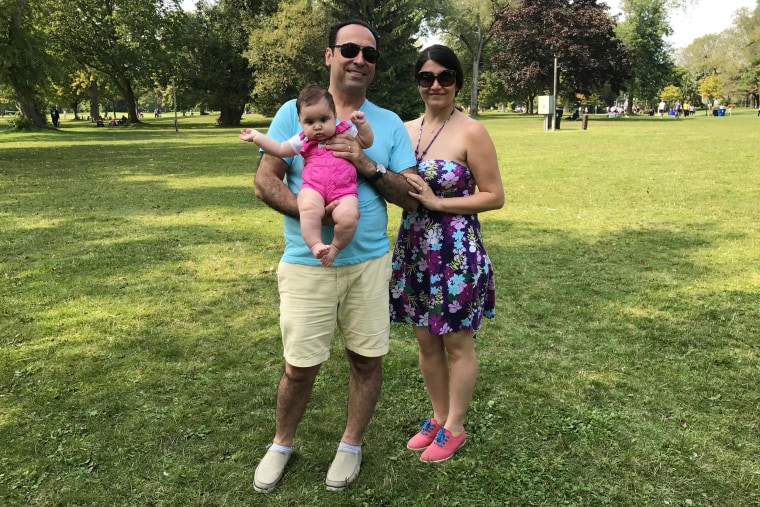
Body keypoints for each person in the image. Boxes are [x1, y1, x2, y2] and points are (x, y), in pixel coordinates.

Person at [251, 19, 419, 492]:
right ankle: (282, 442)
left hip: (368, 264)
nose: (359, 60)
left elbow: (409, 197)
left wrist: (365, 162)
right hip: (308, 264)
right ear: (329, 55)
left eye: (369, 54)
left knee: (366, 360)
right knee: (299, 366)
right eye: (349, 49)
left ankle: (351, 445)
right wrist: (318, 218)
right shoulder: (295, 111)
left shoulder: (385, 123)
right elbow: (265, 182)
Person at [389, 45, 504, 463]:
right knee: (424, 340)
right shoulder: (404, 130)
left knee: (456, 342)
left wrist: (439, 204)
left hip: (455, 252)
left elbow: (494, 197)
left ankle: (455, 426)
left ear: (456, 81)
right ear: (417, 82)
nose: (436, 85)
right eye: (426, 77)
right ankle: (438, 418)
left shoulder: (472, 131)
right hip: (414, 249)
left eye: (445, 77)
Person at [240, 85, 373, 266]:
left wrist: (362, 125)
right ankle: (315, 244)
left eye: (324, 119)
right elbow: (279, 149)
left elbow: (366, 142)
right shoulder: (302, 139)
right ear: (301, 122)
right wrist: (257, 137)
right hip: (313, 187)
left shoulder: (346, 131)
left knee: (350, 216)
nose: (317, 126)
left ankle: (335, 247)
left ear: (335, 116)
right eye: (310, 122)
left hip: (344, 190)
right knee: (308, 210)